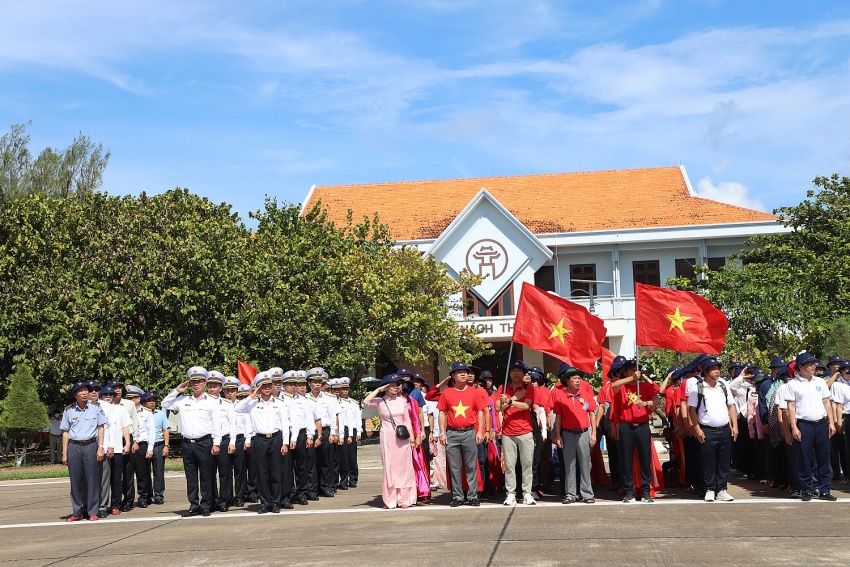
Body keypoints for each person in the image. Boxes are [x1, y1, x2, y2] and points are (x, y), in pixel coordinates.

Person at [161, 366, 223, 517]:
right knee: (191, 476)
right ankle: (194, 505)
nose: (196, 384)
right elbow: (165, 404)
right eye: (193, 381)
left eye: (199, 381)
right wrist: (177, 390)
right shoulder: (183, 400)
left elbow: (217, 424)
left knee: (206, 476)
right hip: (188, 443)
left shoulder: (212, 402)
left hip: (204, 442)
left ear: (205, 383)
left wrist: (216, 443)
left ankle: (206, 504)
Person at [235, 371, 292, 512]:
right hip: (259, 440)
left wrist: (285, 443)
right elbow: (237, 408)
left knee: (276, 473)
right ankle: (265, 502)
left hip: (276, 439)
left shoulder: (279, 404)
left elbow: (285, 424)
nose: (267, 388)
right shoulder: (252, 404)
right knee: (262, 472)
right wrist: (251, 396)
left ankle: (275, 502)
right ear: (258, 387)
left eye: (269, 385)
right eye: (263, 385)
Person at [785, 352, 837, 501]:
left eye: (814, 363)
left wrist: (831, 422)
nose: (814, 366)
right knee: (805, 459)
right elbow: (791, 406)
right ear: (801, 367)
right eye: (810, 364)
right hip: (804, 425)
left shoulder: (820, 383)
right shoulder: (793, 384)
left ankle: (825, 490)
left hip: (821, 424)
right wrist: (793, 427)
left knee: (823, 458)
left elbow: (827, 403)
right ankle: (806, 489)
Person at [687, 357, 738, 502]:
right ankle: (709, 489)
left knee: (724, 461)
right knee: (707, 461)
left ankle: (722, 489)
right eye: (714, 369)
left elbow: (731, 406)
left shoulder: (723, 385)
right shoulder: (697, 387)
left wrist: (735, 426)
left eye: (718, 368)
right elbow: (691, 410)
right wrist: (696, 428)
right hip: (707, 430)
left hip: (724, 429)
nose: (717, 371)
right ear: (706, 372)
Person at [363, 374, 417, 509]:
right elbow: (366, 401)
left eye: (397, 385)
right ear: (386, 387)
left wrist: (412, 438)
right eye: (392, 385)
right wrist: (379, 389)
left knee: (404, 468)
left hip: (402, 438)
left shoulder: (403, 400)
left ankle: (404, 499)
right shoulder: (380, 401)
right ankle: (390, 500)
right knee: (390, 467)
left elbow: (407, 420)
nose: (395, 388)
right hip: (387, 437)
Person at [438, 362, 486, 507]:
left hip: (469, 432)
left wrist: (480, 431)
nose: (464, 374)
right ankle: (458, 496)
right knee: (455, 467)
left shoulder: (474, 392)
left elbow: (480, 412)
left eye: (465, 371)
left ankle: (472, 496)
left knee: (471, 466)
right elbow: (441, 412)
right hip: (452, 433)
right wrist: (442, 433)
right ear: (453, 375)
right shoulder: (447, 393)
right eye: (459, 372)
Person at [612, 359, 659, 503]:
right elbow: (614, 386)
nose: (634, 372)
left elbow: (657, 400)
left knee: (645, 459)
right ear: (625, 372)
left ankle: (645, 492)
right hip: (626, 427)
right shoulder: (623, 387)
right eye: (631, 370)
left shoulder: (644, 386)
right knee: (627, 460)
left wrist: (646, 403)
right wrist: (630, 379)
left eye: (635, 370)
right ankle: (629, 492)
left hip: (643, 427)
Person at [61, 381, 107, 521]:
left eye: (86, 390)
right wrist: (64, 452)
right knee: (75, 480)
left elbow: (101, 428)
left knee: (92, 479)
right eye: (81, 391)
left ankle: (93, 511)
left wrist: (100, 447)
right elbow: (65, 432)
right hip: (74, 446)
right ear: (75, 394)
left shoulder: (96, 407)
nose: (85, 393)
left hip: (90, 445)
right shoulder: (68, 410)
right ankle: (77, 512)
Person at [553, 365, 597, 504]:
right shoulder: (560, 396)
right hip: (567, 434)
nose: (578, 381)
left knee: (585, 464)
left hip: (583, 433)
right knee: (569, 465)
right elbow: (558, 417)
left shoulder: (586, 395)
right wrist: (558, 435)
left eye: (579, 378)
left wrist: (594, 433)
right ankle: (570, 494)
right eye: (574, 378)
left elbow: (591, 414)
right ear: (567, 381)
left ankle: (587, 494)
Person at [496, 360, 536, 506]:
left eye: (519, 370)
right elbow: (498, 407)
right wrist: (513, 398)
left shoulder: (528, 388)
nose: (516, 373)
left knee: (527, 463)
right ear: (509, 373)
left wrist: (511, 402)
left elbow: (526, 406)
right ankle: (510, 494)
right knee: (510, 465)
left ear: (524, 373)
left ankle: (527, 493)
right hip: (508, 432)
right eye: (513, 370)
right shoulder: (502, 388)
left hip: (525, 431)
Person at [97, 385, 130, 517]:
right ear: (101, 396)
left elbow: (125, 427)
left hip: (117, 448)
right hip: (103, 449)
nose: (108, 397)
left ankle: (116, 505)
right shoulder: (97, 408)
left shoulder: (120, 409)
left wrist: (127, 443)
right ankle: (101, 505)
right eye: (105, 395)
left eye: (111, 395)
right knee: (102, 480)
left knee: (116, 479)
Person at [306, 368, 341, 498]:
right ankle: (312, 489)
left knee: (326, 461)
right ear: (309, 383)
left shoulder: (329, 398)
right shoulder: (305, 398)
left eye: (319, 382)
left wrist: (334, 433)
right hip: (310, 432)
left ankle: (326, 486)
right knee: (311, 461)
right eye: (314, 382)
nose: (317, 384)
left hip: (326, 431)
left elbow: (334, 417)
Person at [207, 371, 237, 512]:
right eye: (210, 386)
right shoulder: (204, 401)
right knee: (209, 473)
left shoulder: (226, 403)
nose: (212, 389)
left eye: (215, 386)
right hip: (208, 441)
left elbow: (232, 424)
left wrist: (232, 442)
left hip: (224, 441)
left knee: (225, 473)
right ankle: (212, 500)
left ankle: (225, 500)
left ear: (220, 388)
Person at [125, 385, 154, 509]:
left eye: (133, 398)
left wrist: (150, 448)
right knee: (127, 474)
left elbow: (151, 431)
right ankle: (128, 499)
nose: (130, 401)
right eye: (128, 398)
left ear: (138, 399)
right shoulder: (124, 411)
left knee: (142, 474)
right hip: (128, 445)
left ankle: (143, 497)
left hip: (141, 445)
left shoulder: (146, 413)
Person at [142, 391, 170, 505]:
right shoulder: (141, 413)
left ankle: (158, 495)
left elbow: (165, 430)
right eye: (149, 400)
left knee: (159, 471)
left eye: (153, 400)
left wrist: (166, 445)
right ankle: (147, 495)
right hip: (145, 445)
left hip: (158, 445)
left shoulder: (160, 414)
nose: (152, 402)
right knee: (145, 471)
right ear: (144, 402)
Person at [337, 377, 362, 489]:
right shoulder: (337, 402)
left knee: (352, 457)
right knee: (343, 457)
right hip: (343, 430)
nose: (345, 391)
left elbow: (357, 418)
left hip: (352, 430)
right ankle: (343, 479)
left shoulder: (354, 403)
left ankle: (353, 478)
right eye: (343, 389)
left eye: (347, 389)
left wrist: (359, 432)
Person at [232, 383, 254, 507]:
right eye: (241, 397)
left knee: (250, 469)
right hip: (233, 439)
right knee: (238, 470)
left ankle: (251, 493)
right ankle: (238, 495)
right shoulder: (231, 407)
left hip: (247, 439)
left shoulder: (250, 407)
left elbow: (248, 425)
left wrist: (248, 439)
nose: (243, 399)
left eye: (246, 396)